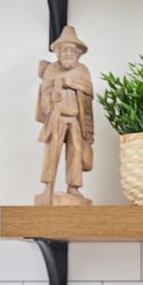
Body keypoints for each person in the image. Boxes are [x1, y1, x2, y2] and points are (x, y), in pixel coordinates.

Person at [35, 25, 96, 205]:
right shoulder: (52, 70)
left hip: (75, 119)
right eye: (65, 49)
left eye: (72, 50)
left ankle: (74, 188)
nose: (69, 53)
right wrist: (50, 99)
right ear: (58, 52)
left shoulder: (82, 70)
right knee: (51, 151)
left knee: (76, 151)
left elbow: (88, 96)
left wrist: (74, 84)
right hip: (57, 117)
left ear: (78, 53)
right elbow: (44, 94)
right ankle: (48, 187)